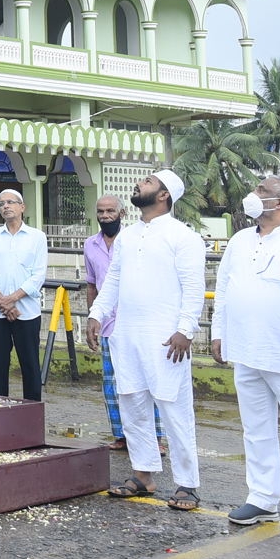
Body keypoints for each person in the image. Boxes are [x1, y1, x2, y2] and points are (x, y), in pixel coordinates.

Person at [88, 168, 206, 512]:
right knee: (133, 405)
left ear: (164, 195)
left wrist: (186, 329)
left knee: (175, 410)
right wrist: (97, 314)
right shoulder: (127, 236)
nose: (140, 183)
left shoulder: (183, 236)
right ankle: (143, 475)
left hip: (166, 338)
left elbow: (194, 287)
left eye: (149, 181)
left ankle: (187, 484)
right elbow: (113, 280)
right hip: (127, 334)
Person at [213, 175, 280, 534]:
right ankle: (262, 498)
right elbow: (224, 288)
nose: (253, 195)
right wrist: (219, 333)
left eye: (262, 191)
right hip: (245, 350)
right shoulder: (240, 240)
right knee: (255, 429)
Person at [84, 193, 161, 450]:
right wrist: (92, 317)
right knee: (112, 383)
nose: (105, 216)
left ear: (122, 213)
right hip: (108, 324)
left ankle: (155, 438)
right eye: (101, 212)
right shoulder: (90, 245)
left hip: (137, 322)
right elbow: (92, 285)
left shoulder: (134, 240)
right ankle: (122, 435)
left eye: (110, 211)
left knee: (146, 380)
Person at [0, 189, 47, 401]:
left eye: (10, 202)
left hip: (26, 311)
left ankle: (31, 412)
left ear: (22, 207)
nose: (6, 206)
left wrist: (13, 299)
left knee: (30, 366)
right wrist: (3, 302)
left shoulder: (37, 237)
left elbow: (38, 275)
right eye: (1, 204)